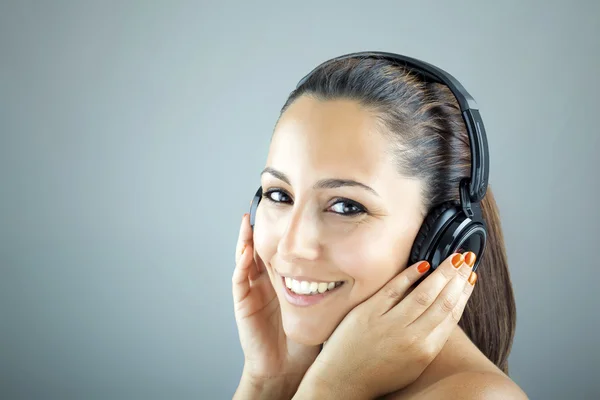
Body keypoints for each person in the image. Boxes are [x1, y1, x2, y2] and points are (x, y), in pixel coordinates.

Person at [232, 52, 528, 399]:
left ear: (442, 240)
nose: (290, 246)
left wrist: (331, 390)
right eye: (280, 195)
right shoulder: (300, 373)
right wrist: (267, 382)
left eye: (346, 206)